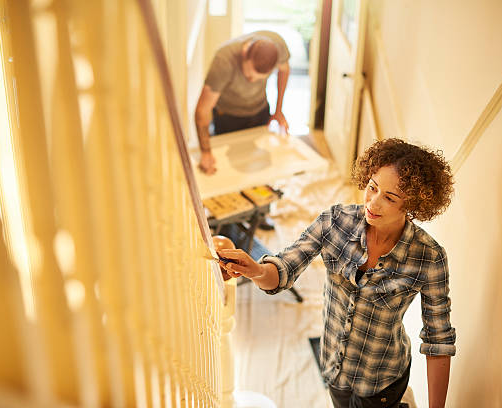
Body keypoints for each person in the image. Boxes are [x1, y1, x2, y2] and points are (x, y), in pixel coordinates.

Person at [217, 138, 456, 408]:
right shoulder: (335, 221)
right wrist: (256, 270)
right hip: (333, 366)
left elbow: (438, 343)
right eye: (372, 187)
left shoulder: (429, 257)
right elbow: (285, 268)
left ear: (412, 205)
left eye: (389, 198)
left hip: (382, 381)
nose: (373, 203)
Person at [195, 31, 291, 175]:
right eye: (249, 76)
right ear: (245, 53)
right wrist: (206, 152)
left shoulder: (278, 46)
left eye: (259, 79)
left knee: (257, 166)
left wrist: (278, 111)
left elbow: (285, 70)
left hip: (260, 110)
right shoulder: (224, 61)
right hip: (228, 117)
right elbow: (202, 110)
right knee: (230, 170)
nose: (252, 81)